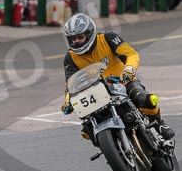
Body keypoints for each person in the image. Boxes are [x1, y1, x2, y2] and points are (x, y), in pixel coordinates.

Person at [60, 12, 174, 140]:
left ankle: (160, 125)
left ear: (89, 33)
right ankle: (112, 148)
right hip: (96, 95)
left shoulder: (108, 38)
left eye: (80, 37)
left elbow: (130, 54)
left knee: (145, 99)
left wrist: (129, 69)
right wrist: (68, 101)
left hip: (123, 82)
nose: (76, 42)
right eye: (73, 39)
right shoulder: (70, 58)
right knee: (87, 130)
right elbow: (70, 84)